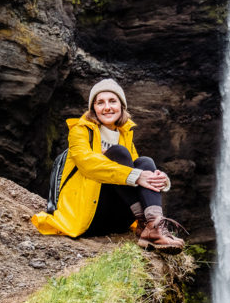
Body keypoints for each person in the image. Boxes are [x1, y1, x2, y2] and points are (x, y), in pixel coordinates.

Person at [31, 78, 184, 251]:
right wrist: (136, 176)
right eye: (100, 102)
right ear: (93, 108)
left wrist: (160, 179)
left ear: (122, 106)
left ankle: (152, 226)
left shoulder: (124, 133)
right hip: (89, 219)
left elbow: (138, 170)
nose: (107, 107)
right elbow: (88, 165)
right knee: (119, 153)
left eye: (112, 101)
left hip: (120, 220)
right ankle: (150, 227)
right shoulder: (79, 131)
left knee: (145, 161)